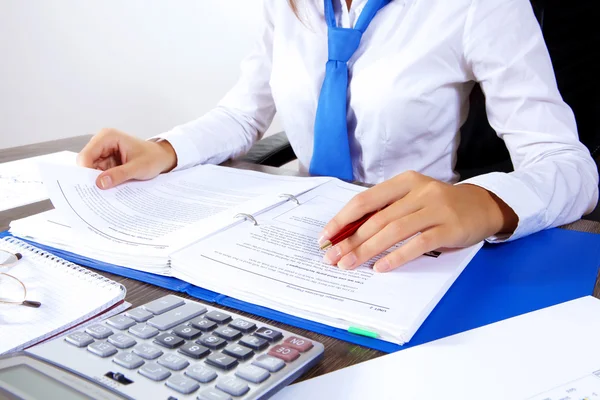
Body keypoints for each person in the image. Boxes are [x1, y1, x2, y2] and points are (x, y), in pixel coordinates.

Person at [77, 0, 599, 274]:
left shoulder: (477, 5)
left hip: (414, 249)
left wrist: (482, 204)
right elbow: (243, 113)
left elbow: (570, 166)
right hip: (298, 236)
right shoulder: (288, 4)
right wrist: (164, 150)